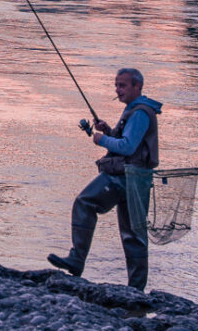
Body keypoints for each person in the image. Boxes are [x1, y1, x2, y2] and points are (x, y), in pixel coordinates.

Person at [47, 68, 161, 291]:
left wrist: (101, 140)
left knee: (85, 202)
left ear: (137, 87)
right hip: (138, 180)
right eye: (116, 85)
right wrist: (108, 131)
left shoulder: (139, 112)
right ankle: (136, 290)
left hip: (126, 177)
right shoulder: (138, 110)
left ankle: (76, 260)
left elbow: (128, 147)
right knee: (133, 234)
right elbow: (130, 142)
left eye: (122, 86)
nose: (117, 90)